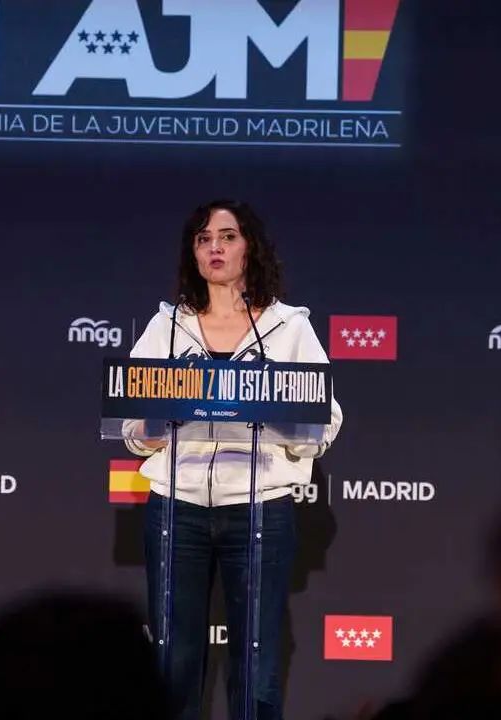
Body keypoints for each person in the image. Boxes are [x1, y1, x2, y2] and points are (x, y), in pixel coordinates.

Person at [123, 199, 343, 720]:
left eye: (227, 236)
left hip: (260, 507)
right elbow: (131, 426)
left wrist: (277, 417)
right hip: (176, 509)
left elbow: (326, 420)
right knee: (173, 660)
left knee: (256, 664)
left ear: (250, 248)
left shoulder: (288, 328)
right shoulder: (167, 327)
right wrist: (157, 421)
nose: (215, 247)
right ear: (193, 254)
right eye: (203, 239)